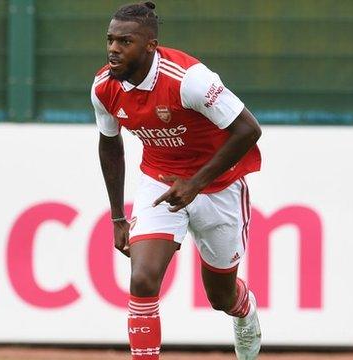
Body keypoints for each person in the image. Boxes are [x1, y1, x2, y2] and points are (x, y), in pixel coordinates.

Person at [91, 2, 263, 359]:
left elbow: (248, 130)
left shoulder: (189, 80)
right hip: (159, 183)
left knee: (221, 297)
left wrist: (196, 183)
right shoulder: (104, 87)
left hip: (218, 186)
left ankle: (244, 310)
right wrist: (117, 218)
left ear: (150, 45)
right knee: (142, 278)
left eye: (125, 41)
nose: (113, 49)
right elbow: (110, 145)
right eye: (110, 40)